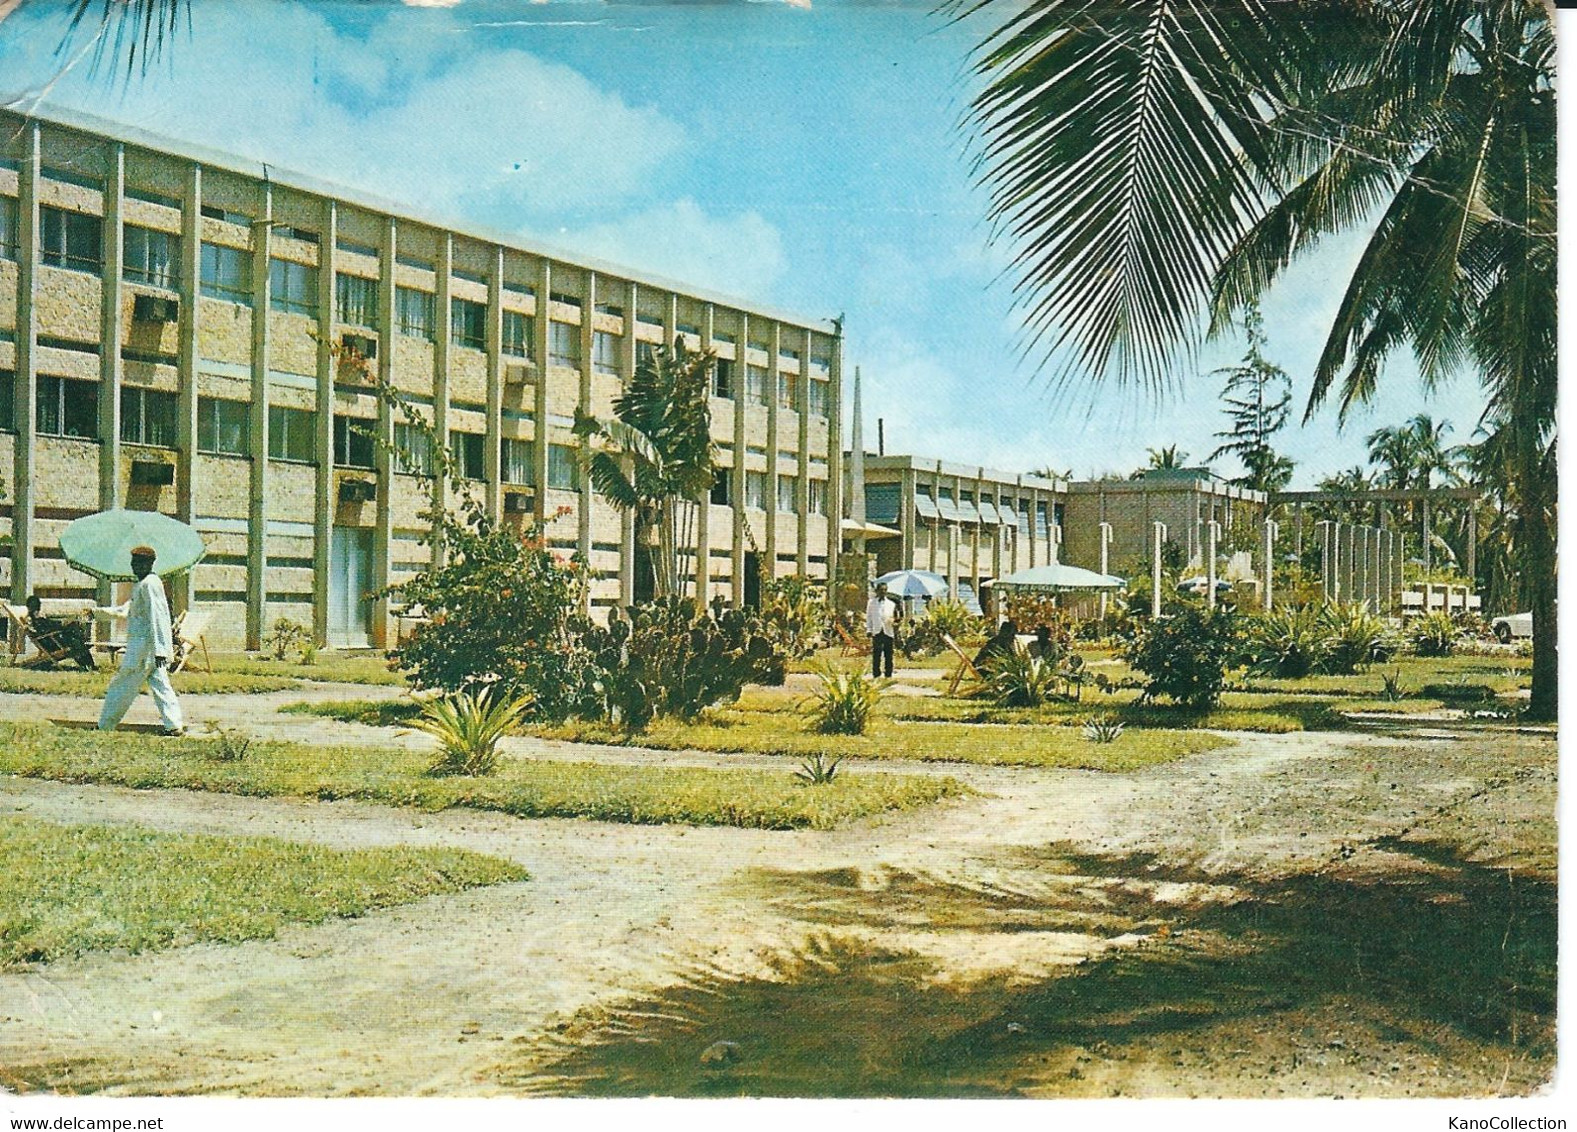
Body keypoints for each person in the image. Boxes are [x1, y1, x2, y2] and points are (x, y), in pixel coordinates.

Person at [98, 546, 185, 736]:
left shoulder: (150, 584)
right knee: (161, 685)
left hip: (144, 648)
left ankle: (106, 724)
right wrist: (98, 613)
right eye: (133, 563)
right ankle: (174, 724)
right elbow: (127, 610)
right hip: (146, 647)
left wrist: (162, 650)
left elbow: (159, 616)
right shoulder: (141, 584)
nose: (135, 567)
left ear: (150, 564)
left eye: (139, 563)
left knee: (122, 685)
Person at [24, 594, 96, 670]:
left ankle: (88, 663)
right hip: (52, 643)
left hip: (53, 639)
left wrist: (62, 625)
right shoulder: (36, 621)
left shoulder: (37, 620)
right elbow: (46, 631)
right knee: (75, 640)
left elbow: (49, 627)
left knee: (74, 636)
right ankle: (88, 664)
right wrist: (62, 626)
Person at [866, 582, 898, 679]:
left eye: (885, 590)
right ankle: (876, 673)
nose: (883, 592)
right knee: (877, 654)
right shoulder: (871, 603)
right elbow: (869, 617)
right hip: (877, 630)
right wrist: (869, 629)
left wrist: (893, 621)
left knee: (888, 654)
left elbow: (896, 617)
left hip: (888, 631)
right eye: (881, 590)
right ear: (877, 591)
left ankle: (888, 673)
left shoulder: (891, 604)